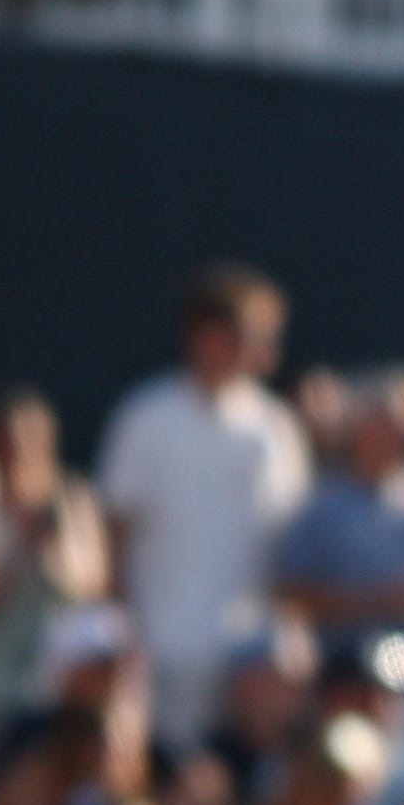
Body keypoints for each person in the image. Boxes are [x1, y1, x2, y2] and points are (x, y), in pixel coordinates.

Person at [97, 264, 309, 745]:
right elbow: (115, 531)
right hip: (159, 653)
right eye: (247, 335)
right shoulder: (145, 418)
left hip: (248, 666)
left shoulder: (277, 428)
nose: (264, 351)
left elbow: (288, 545)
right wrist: (122, 634)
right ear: (204, 336)